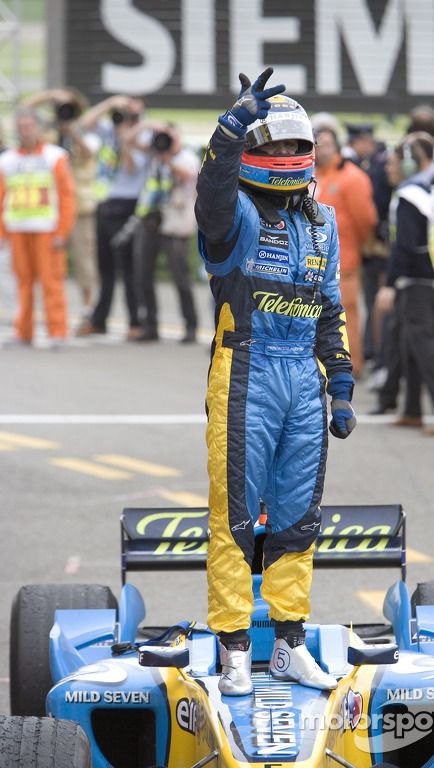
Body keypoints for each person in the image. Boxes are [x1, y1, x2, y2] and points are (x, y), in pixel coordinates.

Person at [195, 68, 356, 695]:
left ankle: (290, 642)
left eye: (297, 146)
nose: (288, 156)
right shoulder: (232, 215)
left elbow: (332, 307)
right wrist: (229, 133)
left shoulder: (324, 223)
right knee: (236, 518)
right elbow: (210, 195)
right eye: (277, 145)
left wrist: (340, 385)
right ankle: (233, 647)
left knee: (297, 518)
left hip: (304, 381)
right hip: (246, 370)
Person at [376, 134, 434, 434]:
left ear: (410, 165)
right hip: (429, 279)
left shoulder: (409, 196)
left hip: (416, 282)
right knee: (409, 344)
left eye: (393, 162)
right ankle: (412, 410)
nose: (388, 167)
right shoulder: (427, 192)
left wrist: (389, 283)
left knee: (423, 344)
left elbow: (406, 246)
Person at [25, 88, 100, 327]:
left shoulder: (86, 131)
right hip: (49, 209)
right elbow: (25, 111)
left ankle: (87, 312)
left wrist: (74, 131)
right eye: (62, 109)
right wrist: (50, 96)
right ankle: (43, 314)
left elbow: (89, 153)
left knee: (83, 262)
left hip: (79, 207)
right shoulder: (47, 131)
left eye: (69, 109)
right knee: (44, 264)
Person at [0, 108, 76, 346]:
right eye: (21, 127)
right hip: (18, 228)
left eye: (29, 126)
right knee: (22, 283)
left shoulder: (55, 157)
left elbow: (67, 197)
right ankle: (23, 331)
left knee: (51, 282)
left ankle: (58, 331)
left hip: (47, 229)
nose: (26, 131)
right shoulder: (7, 160)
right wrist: (2, 232)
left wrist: (62, 231)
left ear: (39, 128)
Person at [77, 95, 148, 339]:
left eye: (133, 115)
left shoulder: (142, 137)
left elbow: (131, 167)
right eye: (125, 113)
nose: (126, 119)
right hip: (104, 202)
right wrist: (110, 103)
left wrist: (125, 138)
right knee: (104, 267)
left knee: (127, 269)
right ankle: (99, 320)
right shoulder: (108, 130)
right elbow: (84, 123)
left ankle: (135, 322)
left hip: (127, 204)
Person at [313, 118, 377, 376]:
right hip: (314, 263)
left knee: (345, 317)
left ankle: (351, 366)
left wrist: (358, 248)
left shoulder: (353, 178)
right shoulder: (312, 175)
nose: (322, 150)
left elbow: (366, 220)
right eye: (318, 145)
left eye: (327, 144)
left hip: (344, 261)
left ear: (337, 146)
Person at [131, 123, 199, 342]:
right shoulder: (152, 153)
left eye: (170, 137)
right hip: (150, 218)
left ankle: (190, 325)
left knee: (180, 277)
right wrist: (150, 127)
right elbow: (128, 141)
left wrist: (166, 157)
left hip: (174, 223)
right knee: (142, 275)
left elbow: (185, 176)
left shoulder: (187, 157)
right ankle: (150, 325)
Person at [343, 122, 392, 366]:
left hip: (369, 244)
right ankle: (373, 353)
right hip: (370, 243)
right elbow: (367, 215)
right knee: (370, 302)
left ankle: (373, 353)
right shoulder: (363, 166)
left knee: (371, 302)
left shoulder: (358, 167)